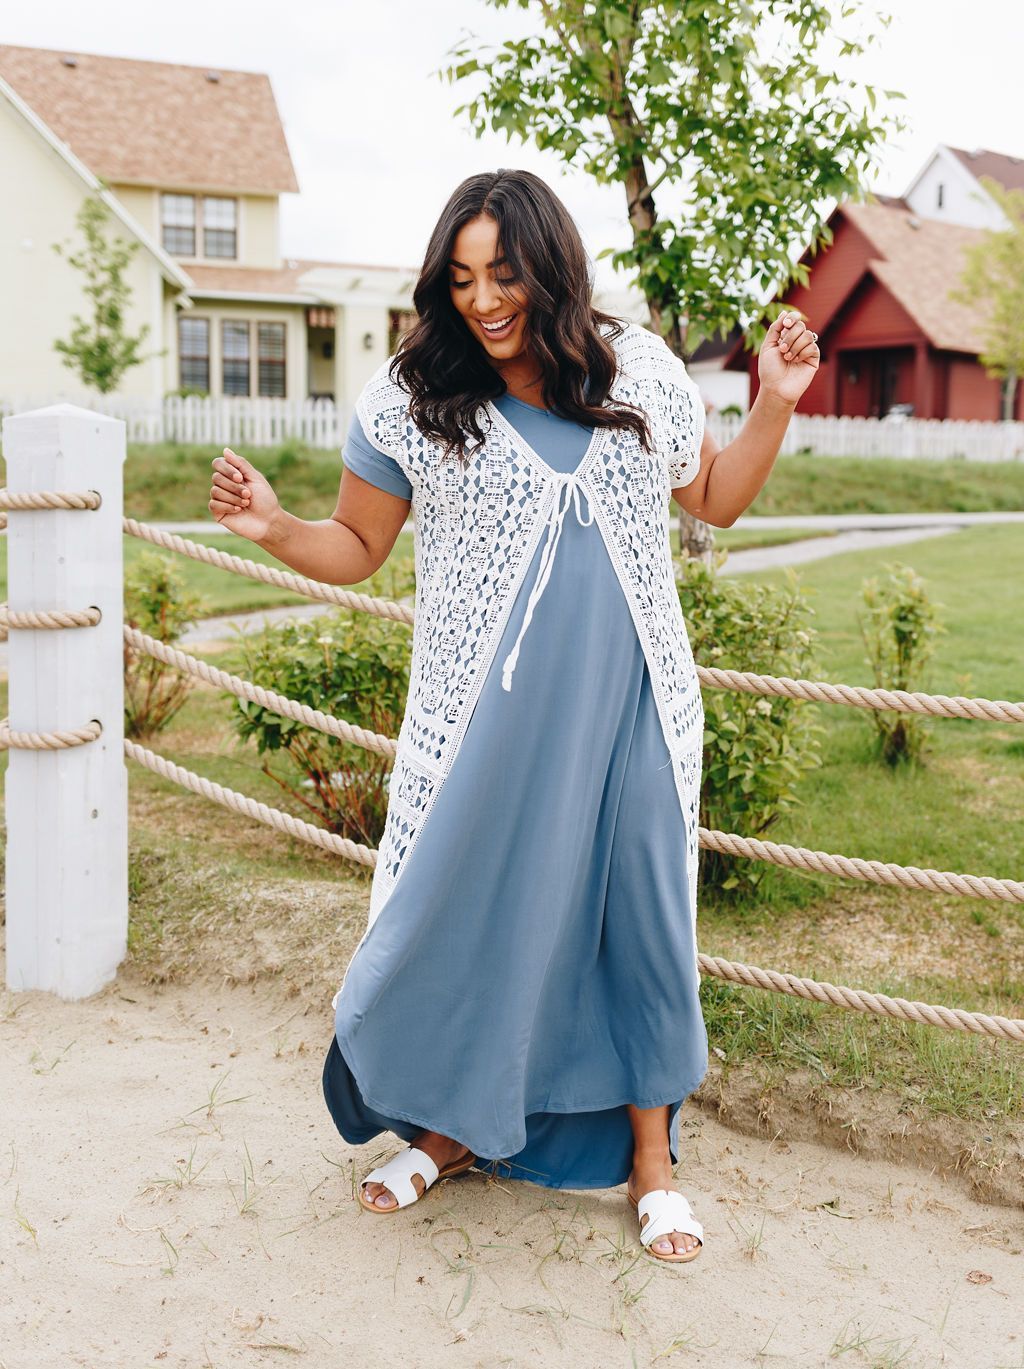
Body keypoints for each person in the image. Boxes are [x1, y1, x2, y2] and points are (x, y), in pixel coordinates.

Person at [207, 168, 819, 1265]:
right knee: (479, 913)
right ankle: (448, 1131)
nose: (484, 299)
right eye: (461, 277)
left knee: (638, 919)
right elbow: (357, 548)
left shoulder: (634, 368)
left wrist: (772, 396)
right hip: (486, 719)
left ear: (549, 266)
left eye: (502, 273)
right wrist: (270, 525)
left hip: (629, 702)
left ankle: (652, 1163)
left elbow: (713, 498)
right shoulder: (414, 393)